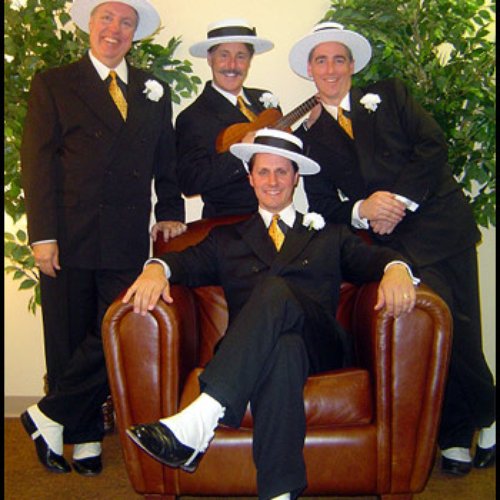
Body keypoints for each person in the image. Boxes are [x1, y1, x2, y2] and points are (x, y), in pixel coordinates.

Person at [121, 128, 418, 499]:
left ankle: (205, 412)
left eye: (281, 172)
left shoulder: (329, 234)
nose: (272, 181)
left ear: (296, 178)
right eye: (263, 172)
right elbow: (182, 262)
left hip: (321, 347)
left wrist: (396, 269)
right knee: (282, 350)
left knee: (275, 289)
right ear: (250, 178)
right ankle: (279, 493)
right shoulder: (226, 238)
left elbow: (374, 259)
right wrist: (156, 268)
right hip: (261, 353)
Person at [289, 22, 496, 476]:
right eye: (321, 60)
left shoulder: (391, 94)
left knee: (463, 328)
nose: (330, 68)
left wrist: (398, 200)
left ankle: (465, 430)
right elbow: (323, 205)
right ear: (309, 69)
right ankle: (471, 423)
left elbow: (432, 146)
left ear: (352, 66)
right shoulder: (308, 136)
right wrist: (362, 209)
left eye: (338, 59)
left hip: (443, 227)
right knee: (441, 327)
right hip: (394, 245)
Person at [20, 0, 186, 476]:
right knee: (67, 336)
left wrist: (170, 213)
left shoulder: (154, 89)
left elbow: (166, 160)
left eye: (126, 22)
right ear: (90, 25)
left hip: (125, 234)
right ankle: (84, 435)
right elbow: (37, 162)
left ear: (136, 32)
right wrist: (42, 234)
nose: (115, 29)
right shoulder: (54, 82)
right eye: (107, 18)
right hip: (67, 234)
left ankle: (48, 414)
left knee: (114, 330)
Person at [175, 18, 281, 217]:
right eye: (224, 55)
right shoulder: (192, 117)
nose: (232, 65)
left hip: (277, 217)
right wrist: (240, 155)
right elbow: (189, 182)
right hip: (229, 224)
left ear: (250, 60)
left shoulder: (266, 102)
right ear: (210, 58)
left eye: (241, 56)